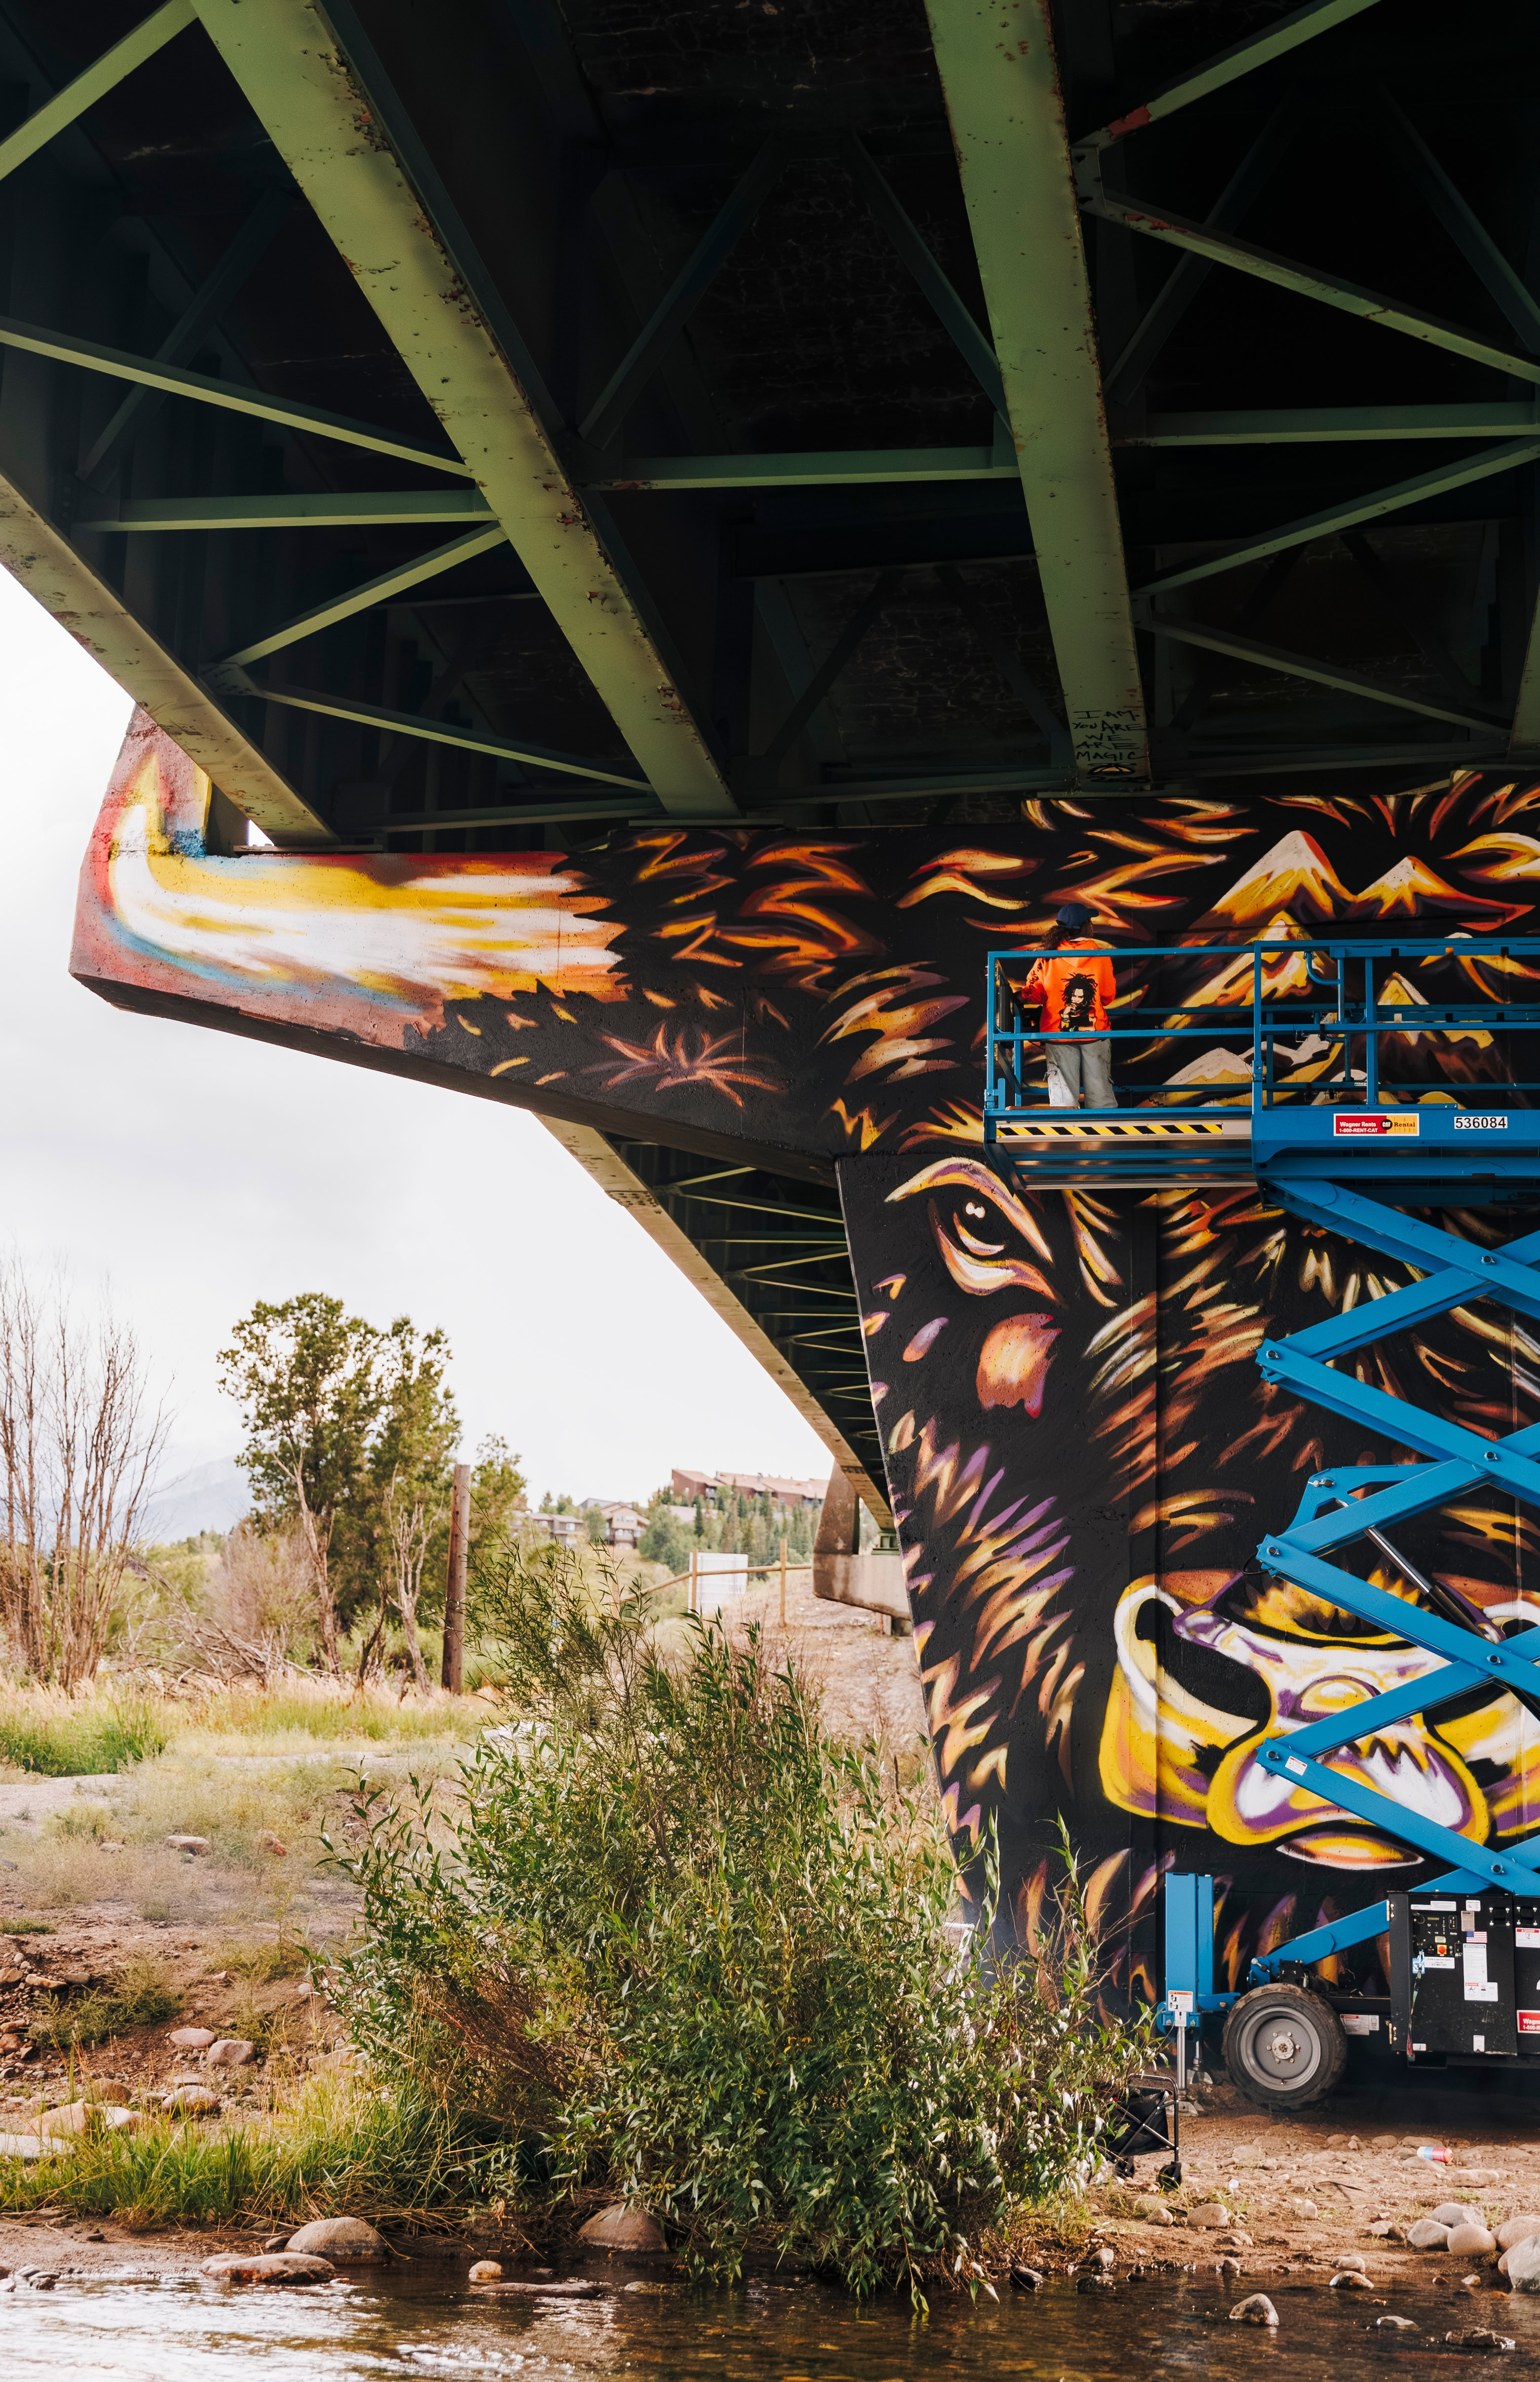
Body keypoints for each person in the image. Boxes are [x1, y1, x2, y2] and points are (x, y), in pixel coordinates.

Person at [1023, 901, 1116, 1110]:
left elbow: (1033, 993)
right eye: (1090, 921)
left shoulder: (1047, 956)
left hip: (1058, 1033)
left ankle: (1066, 1137)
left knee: (1063, 1100)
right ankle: (1104, 1135)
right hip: (1095, 1032)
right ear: (1085, 926)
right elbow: (1109, 996)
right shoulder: (1100, 955)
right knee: (1100, 1094)